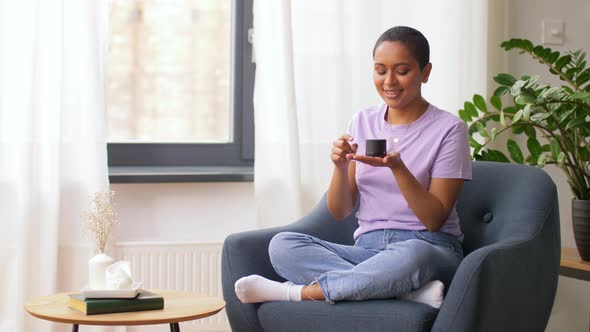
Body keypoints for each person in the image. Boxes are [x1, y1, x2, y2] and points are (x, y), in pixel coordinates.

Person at [234, 26, 471, 308]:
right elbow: (340, 211)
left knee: (412, 257)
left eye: (402, 70)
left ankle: (295, 293)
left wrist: (398, 169)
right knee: (283, 246)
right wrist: (338, 166)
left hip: (429, 246)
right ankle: (400, 289)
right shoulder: (362, 121)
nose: (389, 81)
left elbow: (434, 219)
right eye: (380, 70)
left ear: (425, 72)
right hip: (367, 250)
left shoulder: (450, 129)